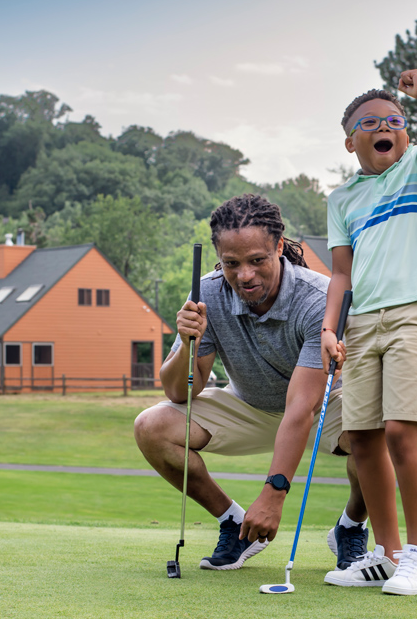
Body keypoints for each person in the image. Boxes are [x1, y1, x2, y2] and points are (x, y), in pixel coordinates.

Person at [134, 194, 370, 573]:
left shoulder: (317, 299)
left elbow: (302, 406)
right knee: (151, 427)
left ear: (278, 246)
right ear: (219, 257)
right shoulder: (208, 292)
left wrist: (273, 493)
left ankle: (351, 525)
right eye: (232, 263)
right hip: (247, 406)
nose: (244, 275)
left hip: (321, 407)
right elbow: (180, 393)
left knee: (379, 432)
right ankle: (232, 522)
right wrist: (187, 346)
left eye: (257, 260)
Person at [319, 69, 417, 596]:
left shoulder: (415, 171)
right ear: (350, 140)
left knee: (402, 432)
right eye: (370, 123)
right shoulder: (341, 200)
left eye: (394, 121)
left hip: (415, 315)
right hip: (360, 325)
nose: (385, 127)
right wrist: (328, 329)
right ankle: (387, 553)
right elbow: (340, 273)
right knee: (360, 439)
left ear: (404, 132)